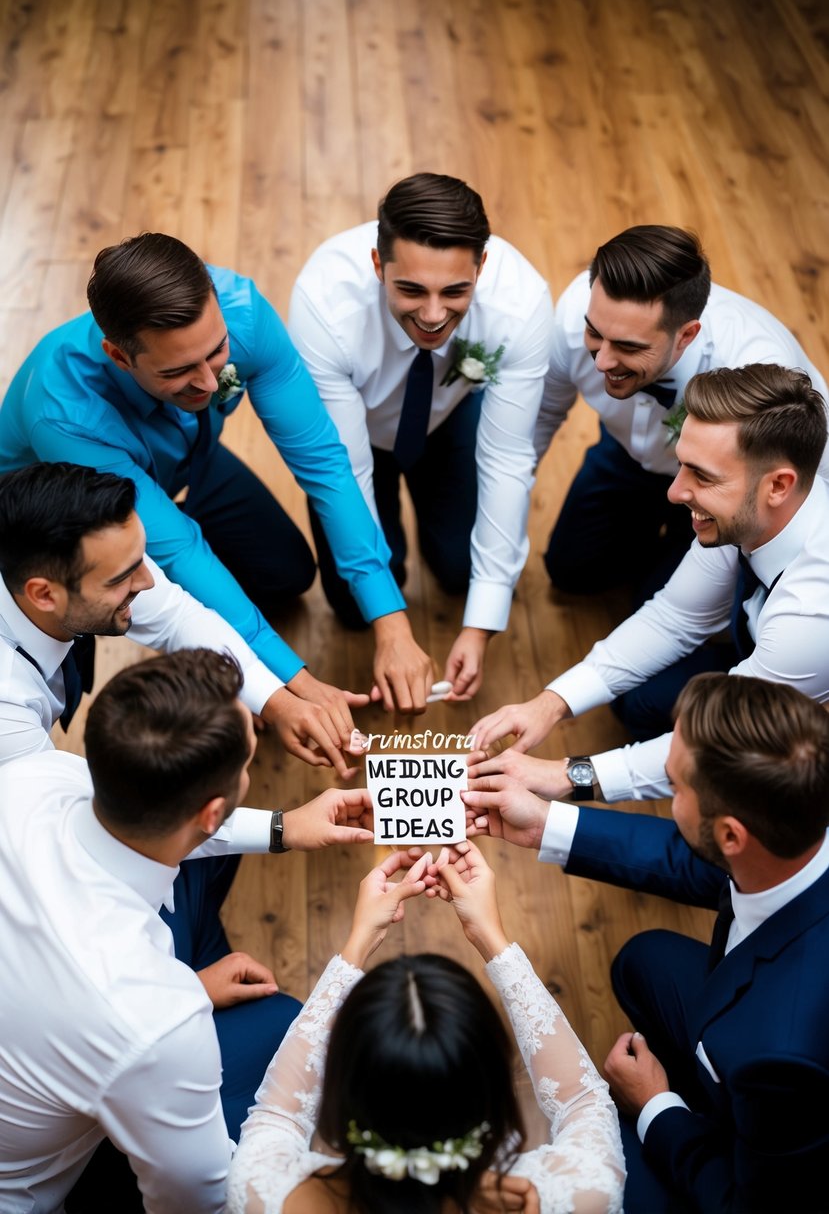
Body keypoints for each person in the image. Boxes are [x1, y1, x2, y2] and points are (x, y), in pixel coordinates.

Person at [0, 232, 434, 722]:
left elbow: (324, 461)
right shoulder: (64, 413)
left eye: (218, 352)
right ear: (120, 357)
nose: (210, 382)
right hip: (77, 524)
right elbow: (179, 548)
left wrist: (391, 623)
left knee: (289, 573)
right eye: (181, 371)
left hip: (188, 464)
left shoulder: (242, 309)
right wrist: (292, 684)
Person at [0, 648, 375, 1213]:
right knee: (286, 1030)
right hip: (34, 1186)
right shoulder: (152, 1019)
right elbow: (198, 1202)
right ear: (210, 812)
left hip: (42, 1050)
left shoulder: (32, 776)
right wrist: (183, 1004)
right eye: (250, 763)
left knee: (217, 866)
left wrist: (285, 827)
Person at [463, 672, 829, 1213]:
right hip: (753, 1025)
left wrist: (656, 1105)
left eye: (675, 786)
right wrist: (544, 823)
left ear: (730, 835)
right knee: (643, 960)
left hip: (769, 1160)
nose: (665, 786)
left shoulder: (779, 1050)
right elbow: (700, 866)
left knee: (613, 1171)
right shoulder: (789, 833)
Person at [471, 362, 829, 803]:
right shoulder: (744, 516)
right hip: (763, 657)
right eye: (682, 466)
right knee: (637, 703)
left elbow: (729, 739)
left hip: (799, 708)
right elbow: (674, 618)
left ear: (778, 485)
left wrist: (569, 775)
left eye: (702, 476)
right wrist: (550, 703)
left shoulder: (812, 613)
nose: (675, 492)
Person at [226, 842, 625, 1214]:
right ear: (495, 1097)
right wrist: (491, 938)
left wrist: (358, 944)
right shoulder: (582, 1191)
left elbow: (278, 1114)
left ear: (340, 1093)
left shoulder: (261, 1191)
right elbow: (583, 1102)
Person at [288, 172, 555, 700]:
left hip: (448, 414)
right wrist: (392, 627)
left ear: (482, 267)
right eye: (411, 289)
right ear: (377, 266)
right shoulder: (323, 304)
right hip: (354, 435)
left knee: (461, 574)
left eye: (455, 291)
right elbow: (344, 472)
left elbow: (506, 457)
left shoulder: (522, 304)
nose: (433, 316)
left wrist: (481, 624)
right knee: (350, 602)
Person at [0, 460, 364, 776]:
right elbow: (61, 820)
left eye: (142, 557)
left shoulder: (91, 560)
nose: (148, 581)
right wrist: (281, 828)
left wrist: (278, 702)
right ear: (44, 594)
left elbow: (178, 618)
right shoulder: (8, 705)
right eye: (121, 577)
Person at [535, 224, 828, 600]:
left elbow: (790, 498)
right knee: (570, 571)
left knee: (655, 602)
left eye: (627, 346)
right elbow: (544, 416)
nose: (602, 361)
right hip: (625, 454)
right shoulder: (581, 309)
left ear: (687, 335)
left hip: (724, 489)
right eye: (595, 334)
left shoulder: (759, 368)